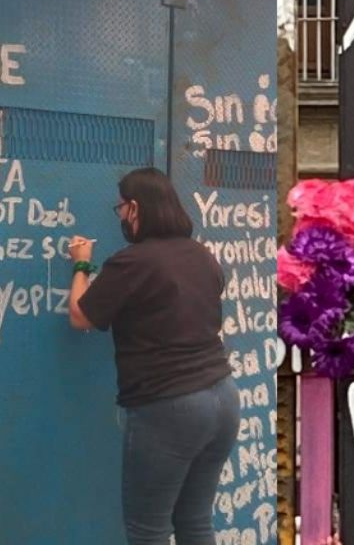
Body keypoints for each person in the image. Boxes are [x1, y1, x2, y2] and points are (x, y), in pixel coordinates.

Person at [66, 167, 239, 545]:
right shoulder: (201, 255)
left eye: (121, 208)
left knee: (149, 530)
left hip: (169, 406)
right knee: (195, 521)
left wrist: (81, 263)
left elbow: (81, 316)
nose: (121, 217)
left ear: (135, 207)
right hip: (223, 398)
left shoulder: (133, 261)